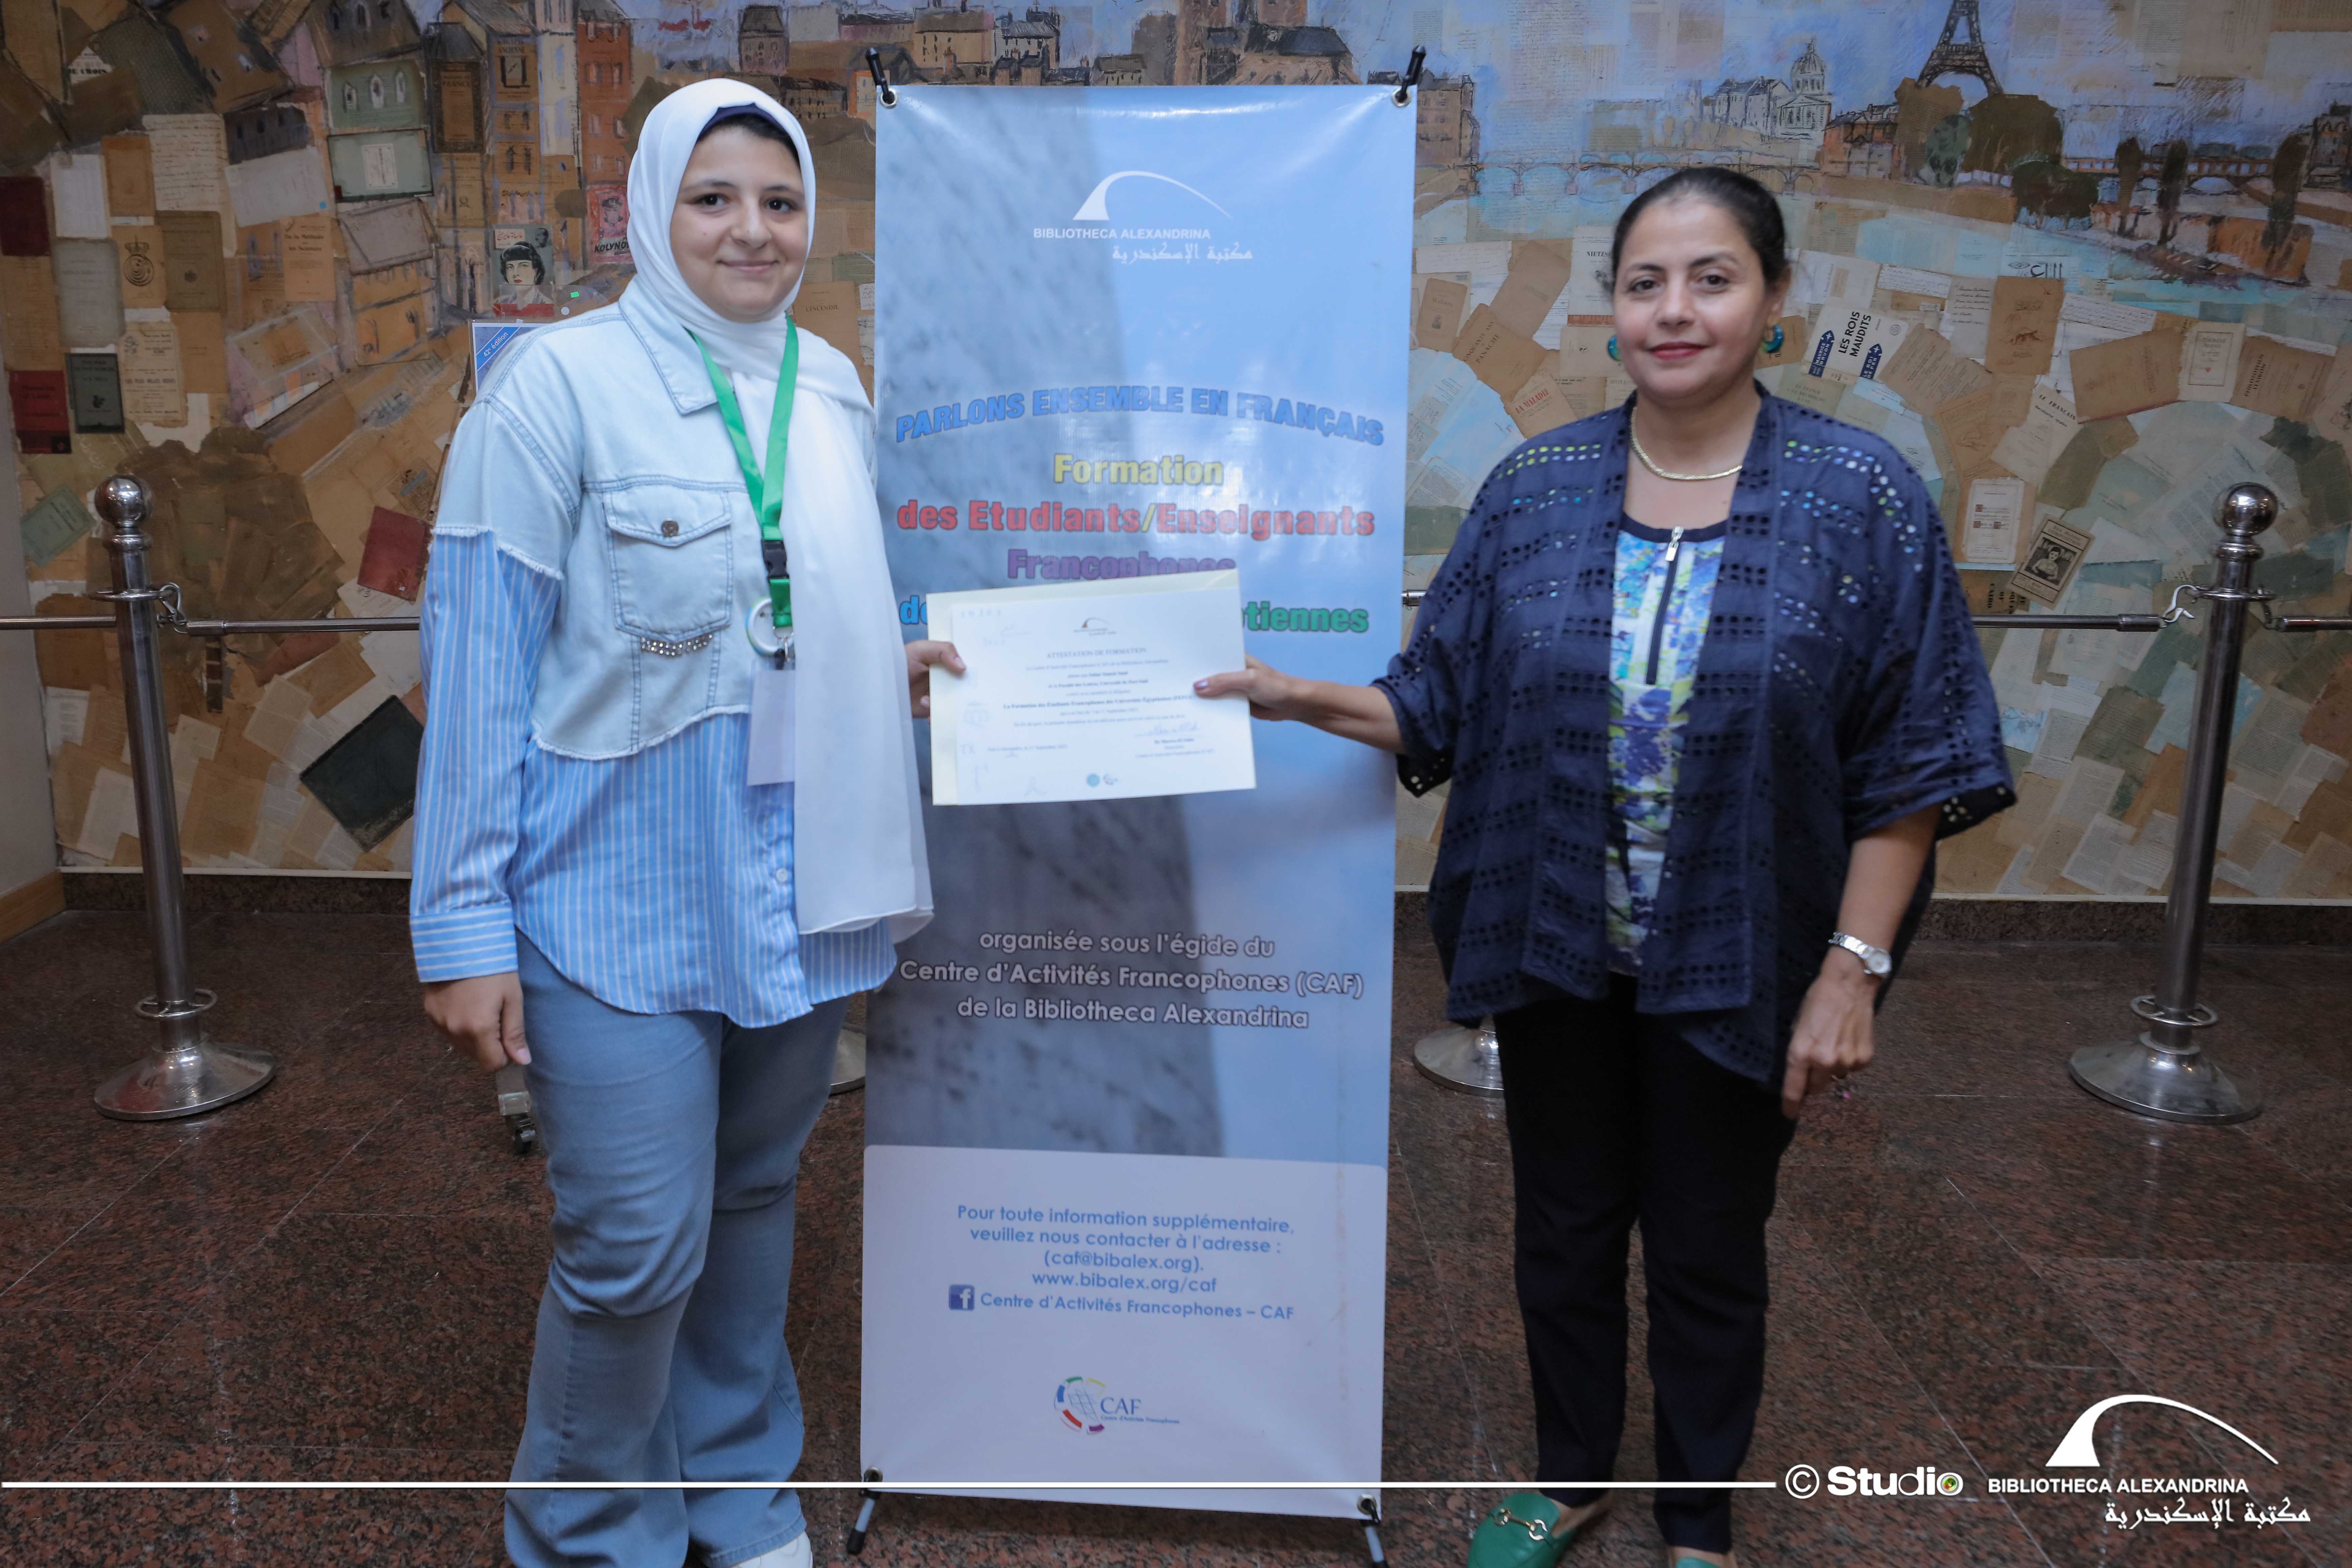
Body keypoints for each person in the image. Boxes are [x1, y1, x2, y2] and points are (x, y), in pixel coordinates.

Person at [1196, 168, 2012, 1568]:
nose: (1675, 310)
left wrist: (1852, 969)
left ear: (1773, 298)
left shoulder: (1858, 494)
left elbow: (1912, 758)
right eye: (1646, 283)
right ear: (1612, 307)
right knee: (1562, 1230)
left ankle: (1700, 1517)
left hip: (1743, 949)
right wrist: (1289, 694)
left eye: (1712, 278)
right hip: (1557, 937)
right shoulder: (1537, 489)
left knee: (1707, 1240)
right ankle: (1568, 1476)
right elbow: (1434, 702)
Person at [410, 80, 959, 1568]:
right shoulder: (556, 389)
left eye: (780, 201)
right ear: (652, 212)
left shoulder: (828, 384)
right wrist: (461, 929)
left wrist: (882, 663)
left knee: (758, 1194)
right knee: (637, 1244)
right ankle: (595, 1531)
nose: (752, 229)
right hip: (613, 899)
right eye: (714, 197)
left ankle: (736, 1485)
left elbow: (795, 603)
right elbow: (480, 664)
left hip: (798, 883)